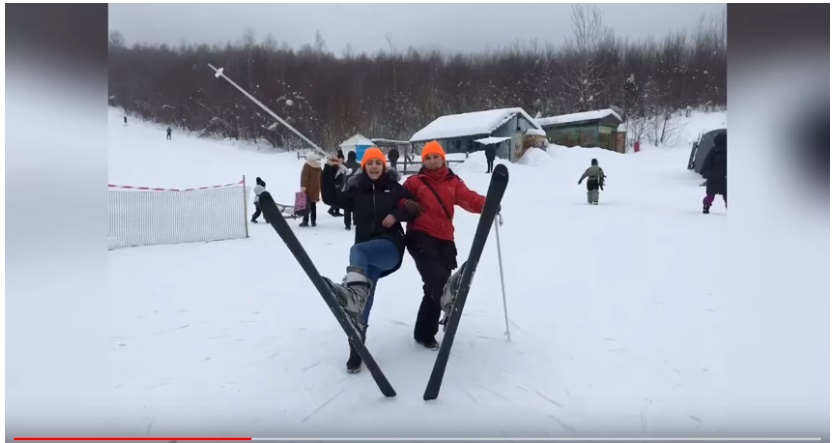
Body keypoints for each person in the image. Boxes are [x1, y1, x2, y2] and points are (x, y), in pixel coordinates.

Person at [322, 147, 422, 373]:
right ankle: (357, 349)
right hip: (367, 259)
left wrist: (396, 215)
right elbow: (330, 198)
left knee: (358, 251)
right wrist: (328, 171)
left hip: (390, 247)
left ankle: (353, 296)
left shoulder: (395, 188)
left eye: (378, 162)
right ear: (365, 167)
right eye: (370, 163)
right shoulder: (356, 190)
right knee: (365, 298)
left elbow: (415, 208)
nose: (375, 166)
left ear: (383, 166)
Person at [400, 140, 488, 350]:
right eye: (427, 158)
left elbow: (468, 199)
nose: (431, 162)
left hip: (446, 240)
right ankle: (450, 309)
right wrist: (405, 204)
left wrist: (488, 203)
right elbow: (396, 198)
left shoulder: (453, 182)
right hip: (420, 236)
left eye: (435, 157)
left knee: (435, 287)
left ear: (442, 159)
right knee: (438, 280)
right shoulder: (414, 182)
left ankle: (424, 333)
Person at [701, 132, 727, 214]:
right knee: (727, 195)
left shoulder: (713, 150)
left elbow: (707, 162)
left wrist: (705, 172)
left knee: (710, 194)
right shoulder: (729, 150)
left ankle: (706, 206)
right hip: (725, 177)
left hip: (713, 176)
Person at [338, 151, 361, 230]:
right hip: (357, 188)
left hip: (346, 188)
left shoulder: (344, 166)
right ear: (355, 157)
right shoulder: (359, 166)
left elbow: (340, 177)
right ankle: (355, 220)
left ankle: (347, 224)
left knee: (347, 207)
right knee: (356, 205)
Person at [300, 153, 323, 227]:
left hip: (308, 188)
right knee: (313, 205)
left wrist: (303, 187)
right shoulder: (319, 166)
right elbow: (321, 177)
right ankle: (313, 221)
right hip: (316, 188)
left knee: (306, 204)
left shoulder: (307, 165)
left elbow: (304, 177)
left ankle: (305, 221)